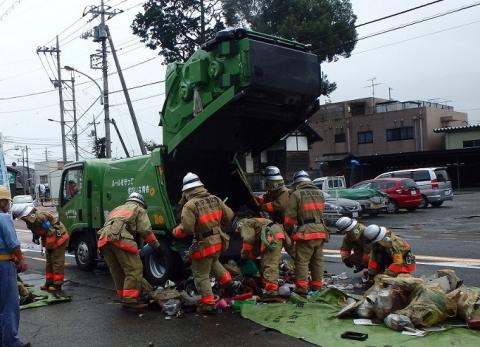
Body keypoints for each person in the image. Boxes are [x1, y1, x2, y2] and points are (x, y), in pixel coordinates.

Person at [172, 172, 234, 314]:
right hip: (218, 240)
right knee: (213, 263)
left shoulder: (190, 205)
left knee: (201, 274)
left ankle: (208, 304)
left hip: (204, 243)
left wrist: (175, 231)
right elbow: (229, 215)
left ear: (187, 190)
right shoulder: (215, 199)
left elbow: (187, 228)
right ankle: (228, 283)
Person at [97, 192, 161, 309]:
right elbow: (145, 229)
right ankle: (130, 299)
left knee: (118, 270)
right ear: (141, 203)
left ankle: (124, 296)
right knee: (134, 269)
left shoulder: (117, 208)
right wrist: (155, 245)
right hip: (119, 237)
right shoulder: (138, 209)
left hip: (104, 239)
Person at [284, 170, 328, 295]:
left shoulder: (297, 194)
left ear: (297, 183)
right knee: (317, 261)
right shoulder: (320, 193)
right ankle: (317, 286)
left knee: (302, 261)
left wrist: (288, 230)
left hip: (306, 232)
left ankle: (302, 289)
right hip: (320, 231)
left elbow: (289, 217)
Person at [12, 205, 69, 291]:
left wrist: (49, 246)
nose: (21, 219)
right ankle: (49, 282)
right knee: (49, 262)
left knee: (57, 261)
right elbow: (38, 230)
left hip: (59, 239)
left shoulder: (39, 218)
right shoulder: (30, 220)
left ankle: (57, 284)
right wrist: (36, 237)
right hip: (51, 240)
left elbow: (51, 231)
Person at [0, 186, 30, 347]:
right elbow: (13, 243)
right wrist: (21, 259)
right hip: (4, 265)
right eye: (6, 202)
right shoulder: (4, 218)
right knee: (10, 305)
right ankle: (11, 342)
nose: (8, 205)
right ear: (2, 201)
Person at [236, 217, 286, 297]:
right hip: (274, 234)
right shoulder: (254, 224)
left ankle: (271, 291)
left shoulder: (245, 224)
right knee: (266, 262)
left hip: (272, 236)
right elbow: (255, 247)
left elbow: (248, 240)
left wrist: (244, 256)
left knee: (269, 263)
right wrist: (251, 258)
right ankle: (268, 287)